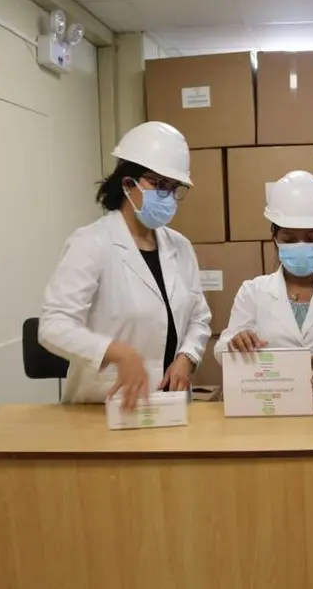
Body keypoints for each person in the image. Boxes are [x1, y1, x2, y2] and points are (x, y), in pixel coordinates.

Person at [39, 121, 211, 409]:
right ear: (128, 183)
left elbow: (199, 317)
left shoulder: (180, 246)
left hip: (168, 405)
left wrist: (187, 358)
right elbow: (53, 327)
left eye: (173, 187)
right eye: (158, 184)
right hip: (102, 407)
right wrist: (115, 352)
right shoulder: (91, 243)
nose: (167, 195)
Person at [216, 171, 313, 398]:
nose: (300, 246)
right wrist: (234, 343)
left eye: (311, 239)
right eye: (290, 239)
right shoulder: (253, 291)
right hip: (274, 408)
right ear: (274, 237)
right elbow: (222, 347)